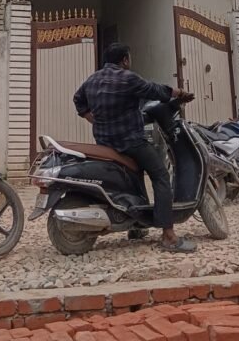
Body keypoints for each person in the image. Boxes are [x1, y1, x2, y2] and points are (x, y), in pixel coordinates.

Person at [73, 42, 196, 252]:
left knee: (134, 174)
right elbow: (155, 90)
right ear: (125, 60)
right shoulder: (128, 78)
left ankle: (137, 225)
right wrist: (179, 93)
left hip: (104, 142)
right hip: (129, 141)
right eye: (129, 58)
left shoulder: (92, 80)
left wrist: (92, 119)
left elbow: (78, 99)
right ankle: (169, 236)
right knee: (160, 175)